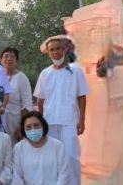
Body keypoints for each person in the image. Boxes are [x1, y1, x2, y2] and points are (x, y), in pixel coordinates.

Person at [34, 36, 89, 185]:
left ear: (64, 49)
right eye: (52, 50)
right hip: (50, 121)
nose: (55, 52)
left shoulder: (76, 71)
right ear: (48, 53)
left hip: (69, 120)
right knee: (53, 157)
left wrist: (82, 120)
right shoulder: (45, 73)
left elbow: (82, 97)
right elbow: (40, 100)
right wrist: (41, 121)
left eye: (58, 48)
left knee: (71, 156)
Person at [12, 111, 70, 185]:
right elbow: (17, 177)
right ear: (24, 130)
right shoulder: (19, 148)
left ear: (43, 126)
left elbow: (64, 175)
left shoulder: (57, 146)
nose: (33, 130)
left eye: (36, 125)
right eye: (28, 127)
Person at [0, 47, 32, 144]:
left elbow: (27, 103)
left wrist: (22, 127)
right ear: (0, 60)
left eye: (12, 57)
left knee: (14, 146)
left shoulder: (21, 77)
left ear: (16, 60)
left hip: (15, 120)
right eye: (6, 56)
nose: (9, 59)